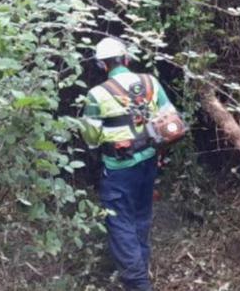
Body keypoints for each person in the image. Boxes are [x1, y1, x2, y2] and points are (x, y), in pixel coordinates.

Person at [81, 37, 178, 291]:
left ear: (102, 65)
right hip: (149, 162)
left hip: (118, 169)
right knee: (141, 216)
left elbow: (90, 137)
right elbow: (170, 116)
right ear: (126, 59)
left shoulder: (97, 95)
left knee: (120, 222)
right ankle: (140, 270)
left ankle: (138, 283)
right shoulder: (150, 82)